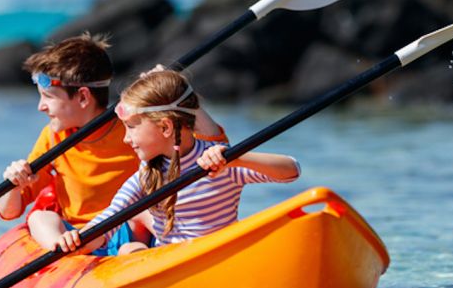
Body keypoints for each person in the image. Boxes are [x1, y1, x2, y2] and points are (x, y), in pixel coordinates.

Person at [0, 35, 225, 255]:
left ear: (84, 97)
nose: (41, 106)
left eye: (48, 96)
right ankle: (62, 253)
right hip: (77, 235)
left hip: (128, 230)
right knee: (39, 217)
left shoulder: (132, 129)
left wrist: (178, 95)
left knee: (143, 213)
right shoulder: (53, 137)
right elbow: (10, 212)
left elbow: (214, 145)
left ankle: (136, 258)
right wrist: (15, 185)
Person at [56, 68, 300, 256]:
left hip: (219, 257)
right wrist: (78, 238)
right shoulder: (146, 174)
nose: (126, 138)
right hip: (171, 262)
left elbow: (291, 171)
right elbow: (111, 217)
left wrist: (236, 158)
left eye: (131, 128)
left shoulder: (221, 161)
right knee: (128, 251)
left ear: (165, 126)